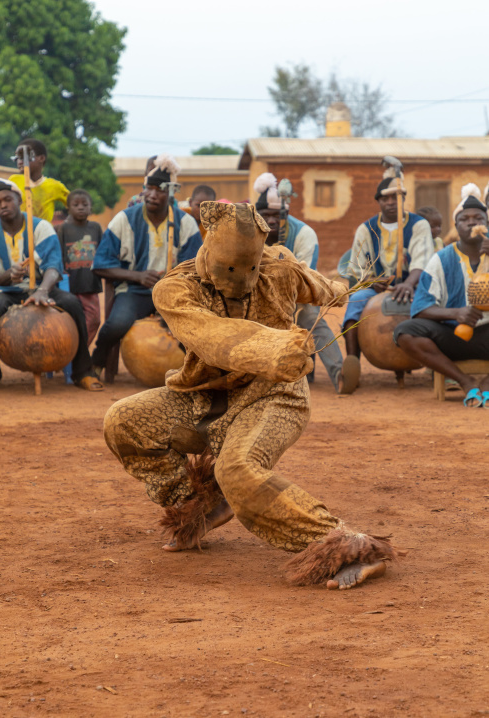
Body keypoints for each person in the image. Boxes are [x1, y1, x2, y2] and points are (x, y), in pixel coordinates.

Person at [103, 201, 400, 590]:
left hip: (274, 395)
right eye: (231, 270)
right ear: (208, 250)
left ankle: (354, 547)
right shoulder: (175, 288)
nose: (243, 280)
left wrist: (344, 287)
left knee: (236, 470)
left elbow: (320, 285)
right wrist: (276, 346)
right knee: (122, 420)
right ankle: (202, 504)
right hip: (205, 397)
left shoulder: (280, 266)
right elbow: (210, 336)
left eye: (252, 268)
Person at [0, 171, 102, 392]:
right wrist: (9, 274)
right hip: (4, 289)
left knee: (73, 304)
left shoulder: (40, 227)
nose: (3, 205)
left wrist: (43, 291)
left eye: (8, 199)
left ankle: (82, 371)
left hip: (41, 286)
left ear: (20, 199)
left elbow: (54, 266)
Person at [91, 154, 203, 375]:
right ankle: (96, 364)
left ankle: (193, 377)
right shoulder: (124, 219)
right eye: (149, 188)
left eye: (159, 190)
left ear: (170, 192)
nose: (152, 195)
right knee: (116, 324)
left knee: (191, 332)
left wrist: (172, 293)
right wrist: (138, 276)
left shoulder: (186, 223)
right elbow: (100, 264)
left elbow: (194, 269)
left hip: (174, 294)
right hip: (135, 291)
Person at [252, 173, 357, 394]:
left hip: (299, 293)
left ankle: (340, 375)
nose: (271, 220)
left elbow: (302, 277)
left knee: (310, 317)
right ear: (256, 215)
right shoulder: (248, 233)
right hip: (256, 293)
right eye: (265, 215)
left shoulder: (304, 234)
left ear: (286, 214)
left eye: (276, 215)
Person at [395, 184, 489, 408]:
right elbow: (420, 309)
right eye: (465, 219)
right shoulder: (440, 260)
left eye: (478, 218)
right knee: (405, 331)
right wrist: (457, 313)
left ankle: (487, 384)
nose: (472, 222)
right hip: (453, 335)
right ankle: (465, 382)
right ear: (456, 226)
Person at [342, 176, 435, 386]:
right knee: (354, 305)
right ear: (379, 202)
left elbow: (422, 261)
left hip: (414, 285)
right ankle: (352, 366)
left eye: (395, 197)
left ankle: (438, 367)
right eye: (385, 199)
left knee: (436, 308)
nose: (390, 202)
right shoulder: (365, 229)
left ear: (403, 199)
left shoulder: (419, 225)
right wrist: (372, 282)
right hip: (375, 289)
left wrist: (408, 284)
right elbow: (357, 269)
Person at [57, 189, 103, 346]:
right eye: (76, 204)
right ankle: (67, 352)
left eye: (85, 204)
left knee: (94, 320)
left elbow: (103, 253)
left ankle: (79, 351)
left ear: (91, 208)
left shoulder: (95, 228)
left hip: (90, 284)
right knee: (68, 321)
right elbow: (59, 255)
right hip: (69, 286)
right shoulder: (63, 229)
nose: (81, 207)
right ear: (68, 208)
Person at [9, 138, 69, 223]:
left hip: (43, 234)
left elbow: (73, 204)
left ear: (41, 158)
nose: (20, 161)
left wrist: (65, 228)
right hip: (20, 233)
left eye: (24, 156)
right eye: (18, 157)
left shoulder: (54, 186)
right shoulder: (13, 181)